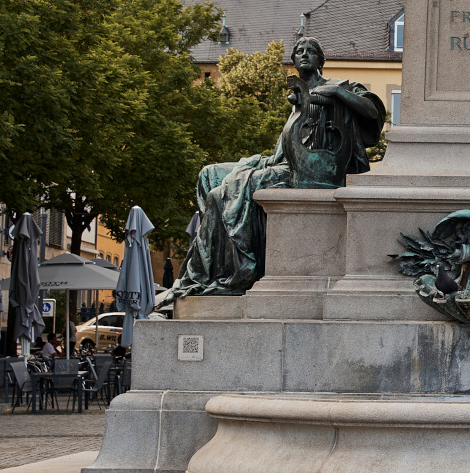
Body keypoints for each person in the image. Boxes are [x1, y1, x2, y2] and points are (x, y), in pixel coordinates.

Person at [165, 37, 385, 301]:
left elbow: (372, 112)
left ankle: (233, 270)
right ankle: (215, 264)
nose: (304, 55)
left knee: (221, 195)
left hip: (311, 170)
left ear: (321, 61)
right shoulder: (298, 95)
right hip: (282, 161)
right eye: (299, 51)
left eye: (311, 51)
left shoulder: (337, 86)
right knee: (208, 175)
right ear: (292, 60)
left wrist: (339, 94)